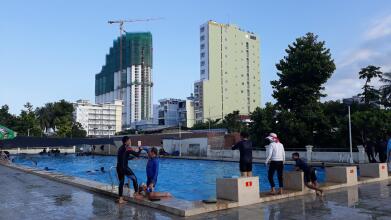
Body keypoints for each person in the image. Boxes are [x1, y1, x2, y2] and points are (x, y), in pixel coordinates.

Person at [116, 136, 143, 204]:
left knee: (121, 183)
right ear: (126, 141)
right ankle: (136, 194)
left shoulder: (120, 148)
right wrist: (140, 149)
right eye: (129, 140)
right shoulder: (128, 148)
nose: (130, 142)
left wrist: (132, 158)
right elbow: (137, 154)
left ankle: (120, 199)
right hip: (124, 168)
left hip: (118, 168)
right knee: (134, 178)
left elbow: (124, 157)